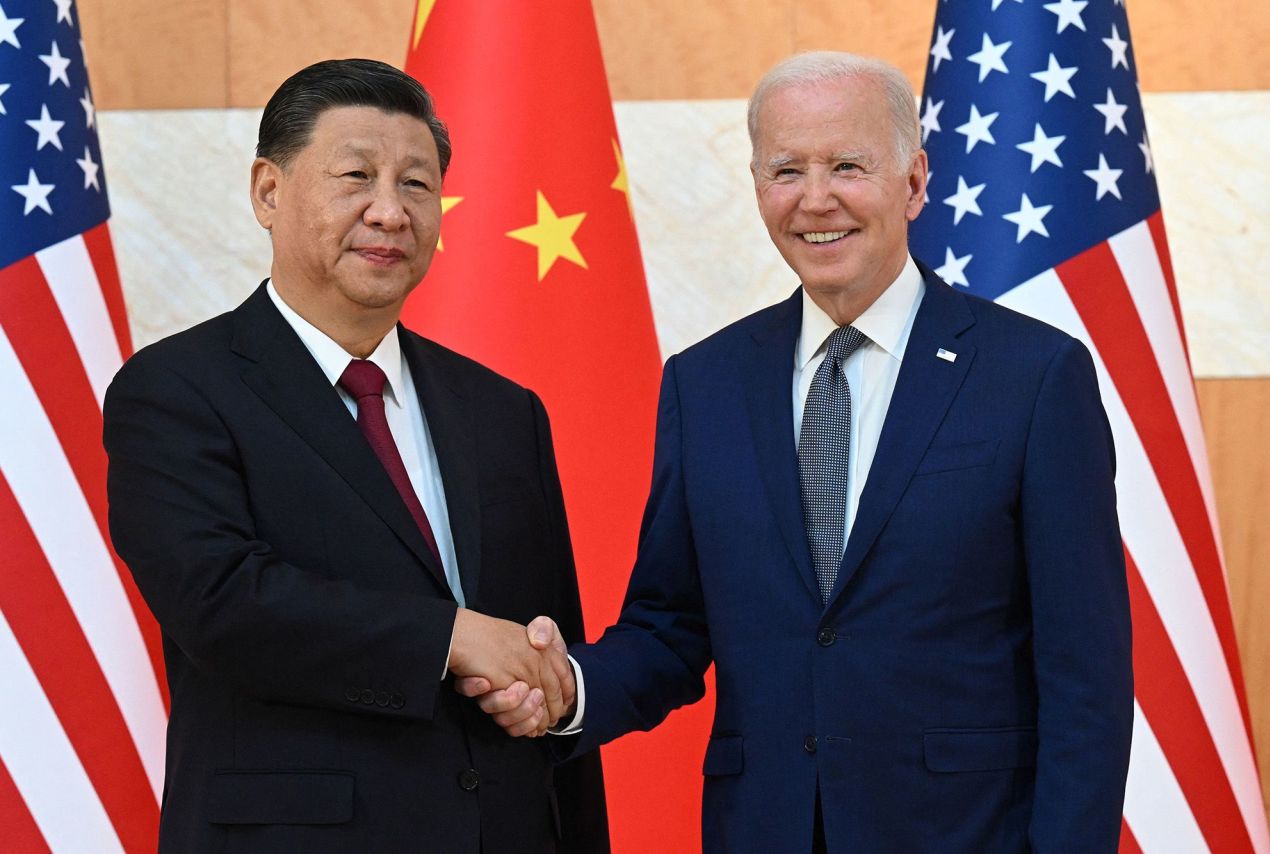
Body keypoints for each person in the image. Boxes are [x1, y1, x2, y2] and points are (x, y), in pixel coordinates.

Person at [464, 51, 1133, 853]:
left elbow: (1084, 677)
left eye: (848, 165)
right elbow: (671, 626)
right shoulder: (704, 383)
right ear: (757, 187)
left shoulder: (1033, 376)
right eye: (786, 170)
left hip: (966, 833)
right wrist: (567, 688)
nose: (816, 200)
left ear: (915, 182)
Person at [103, 58, 607, 853]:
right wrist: (449, 637)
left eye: (417, 184)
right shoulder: (175, 391)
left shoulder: (504, 411)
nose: (390, 211)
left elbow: (547, 650)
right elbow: (222, 605)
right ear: (269, 191)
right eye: (356, 177)